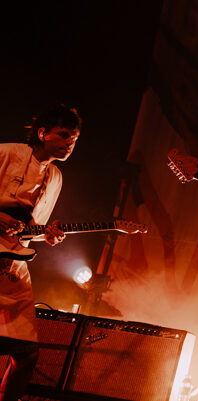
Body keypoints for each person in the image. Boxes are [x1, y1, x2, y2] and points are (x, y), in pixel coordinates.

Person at [0, 104, 81, 401]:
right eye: (64, 135)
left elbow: (29, 230)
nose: (69, 143)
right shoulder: (6, 152)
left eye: (74, 139)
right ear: (42, 132)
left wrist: (47, 235)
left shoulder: (56, 177)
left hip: (12, 264)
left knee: (27, 352)